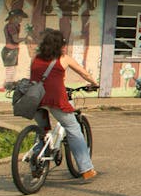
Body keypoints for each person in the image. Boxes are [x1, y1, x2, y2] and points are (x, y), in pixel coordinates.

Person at [30, 28, 99, 182]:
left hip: (35, 99)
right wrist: (95, 83)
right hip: (55, 100)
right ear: (58, 45)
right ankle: (86, 168)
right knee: (73, 129)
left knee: (42, 132)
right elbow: (84, 73)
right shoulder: (64, 59)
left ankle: (36, 165)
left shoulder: (35, 59)